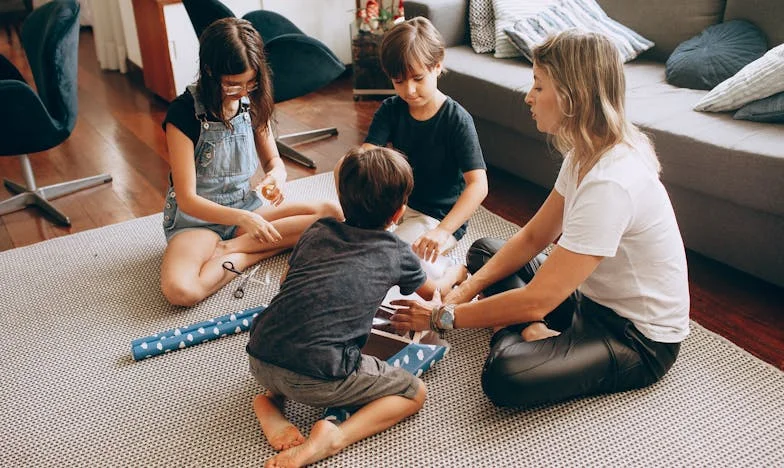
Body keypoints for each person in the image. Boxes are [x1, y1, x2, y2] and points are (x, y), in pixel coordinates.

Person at [390, 30, 690, 408]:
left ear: (572, 96)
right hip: (586, 296)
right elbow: (534, 237)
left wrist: (444, 317)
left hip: (634, 336)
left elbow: (537, 299)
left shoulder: (611, 182)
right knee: (484, 251)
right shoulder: (583, 153)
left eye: (538, 85)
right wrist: (465, 291)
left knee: (505, 376)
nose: (528, 96)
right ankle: (526, 329)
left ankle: (522, 331)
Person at [246, 146, 465, 467]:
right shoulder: (397, 252)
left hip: (260, 356)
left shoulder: (318, 229)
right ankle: (335, 437)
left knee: (297, 336)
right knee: (414, 392)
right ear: (399, 212)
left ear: (341, 196)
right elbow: (435, 295)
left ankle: (270, 402)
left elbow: (286, 283)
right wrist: (458, 273)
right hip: (316, 376)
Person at [159, 18, 340, 306]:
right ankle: (248, 255)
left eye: (251, 82)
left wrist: (276, 177)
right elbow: (187, 200)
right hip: (199, 223)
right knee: (181, 291)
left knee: (332, 213)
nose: (244, 92)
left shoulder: (251, 101)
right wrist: (243, 219)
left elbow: (273, 160)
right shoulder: (183, 114)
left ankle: (233, 250)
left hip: (246, 210)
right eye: (233, 85)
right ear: (210, 71)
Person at [353, 16, 488, 273]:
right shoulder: (391, 109)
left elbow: (478, 185)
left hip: (437, 218)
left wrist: (443, 231)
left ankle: (453, 274)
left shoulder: (457, 120)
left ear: (437, 66)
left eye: (417, 78)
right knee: (352, 245)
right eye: (398, 81)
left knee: (386, 262)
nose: (409, 91)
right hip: (396, 207)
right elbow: (367, 155)